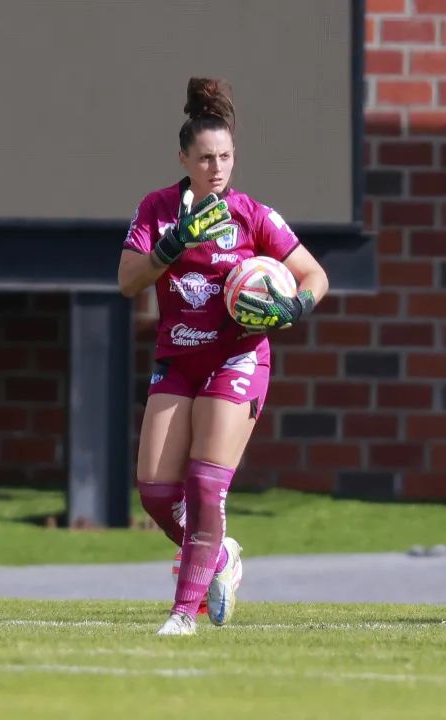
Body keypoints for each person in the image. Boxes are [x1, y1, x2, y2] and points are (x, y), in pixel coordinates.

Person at [118, 77, 330, 636]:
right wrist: (171, 246)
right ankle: (221, 558)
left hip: (236, 360)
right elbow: (126, 282)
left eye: (226, 157)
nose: (217, 167)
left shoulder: (251, 215)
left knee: (206, 486)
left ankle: (182, 614)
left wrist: (295, 306)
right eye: (206, 157)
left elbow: (315, 273)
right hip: (177, 360)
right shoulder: (158, 209)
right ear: (184, 157)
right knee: (158, 495)